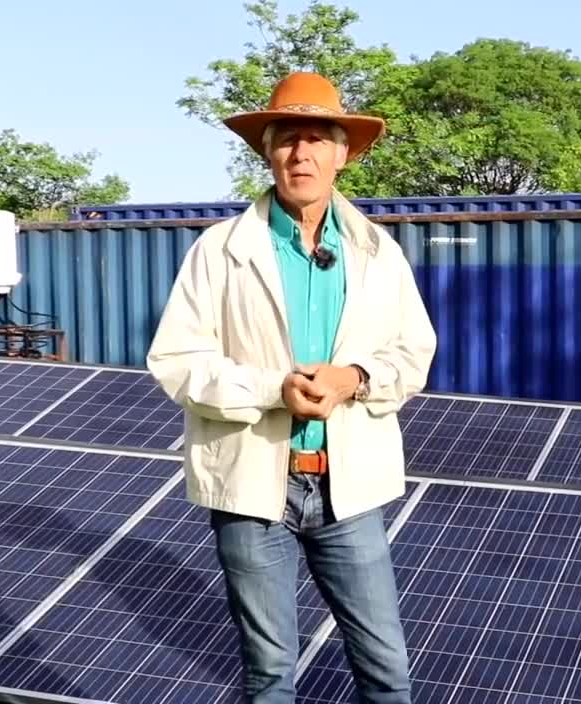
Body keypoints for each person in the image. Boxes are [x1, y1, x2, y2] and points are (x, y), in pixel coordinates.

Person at [146, 71, 437, 703]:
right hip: (253, 490)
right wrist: (273, 388)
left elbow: (413, 353)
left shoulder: (377, 252)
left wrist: (355, 378)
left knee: (386, 669)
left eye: (315, 139)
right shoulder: (219, 250)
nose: (300, 153)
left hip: (348, 490)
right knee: (269, 672)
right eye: (286, 139)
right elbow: (176, 360)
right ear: (268, 151)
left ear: (342, 154)